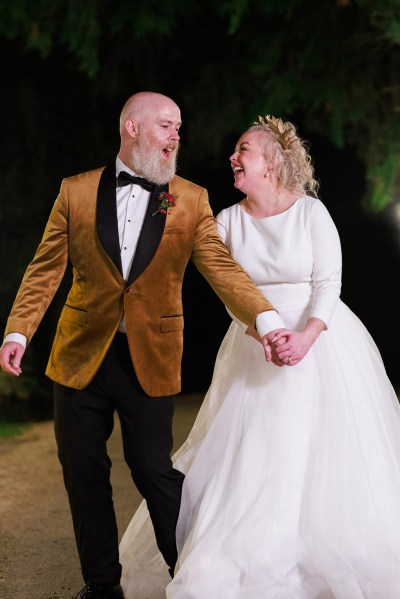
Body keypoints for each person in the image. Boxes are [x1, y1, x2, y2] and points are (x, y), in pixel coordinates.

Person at [0, 93, 287, 599]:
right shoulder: (75, 191)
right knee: (83, 469)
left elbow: (221, 270)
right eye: (166, 126)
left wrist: (265, 319)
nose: (176, 135)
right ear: (132, 128)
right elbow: (46, 269)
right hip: (78, 355)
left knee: (154, 469)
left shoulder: (190, 199)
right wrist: (19, 330)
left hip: (150, 356)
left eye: (179, 126)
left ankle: (189, 577)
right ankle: (102, 584)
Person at [118, 115, 400, 598]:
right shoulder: (226, 221)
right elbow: (226, 287)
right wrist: (261, 334)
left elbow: (328, 284)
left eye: (243, 149)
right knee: (256, 449)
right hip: (254, 345)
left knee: (324, 448)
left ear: (271, 162)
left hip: (322, 341)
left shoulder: (311, 213)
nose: (233, 156)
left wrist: (306, 337)